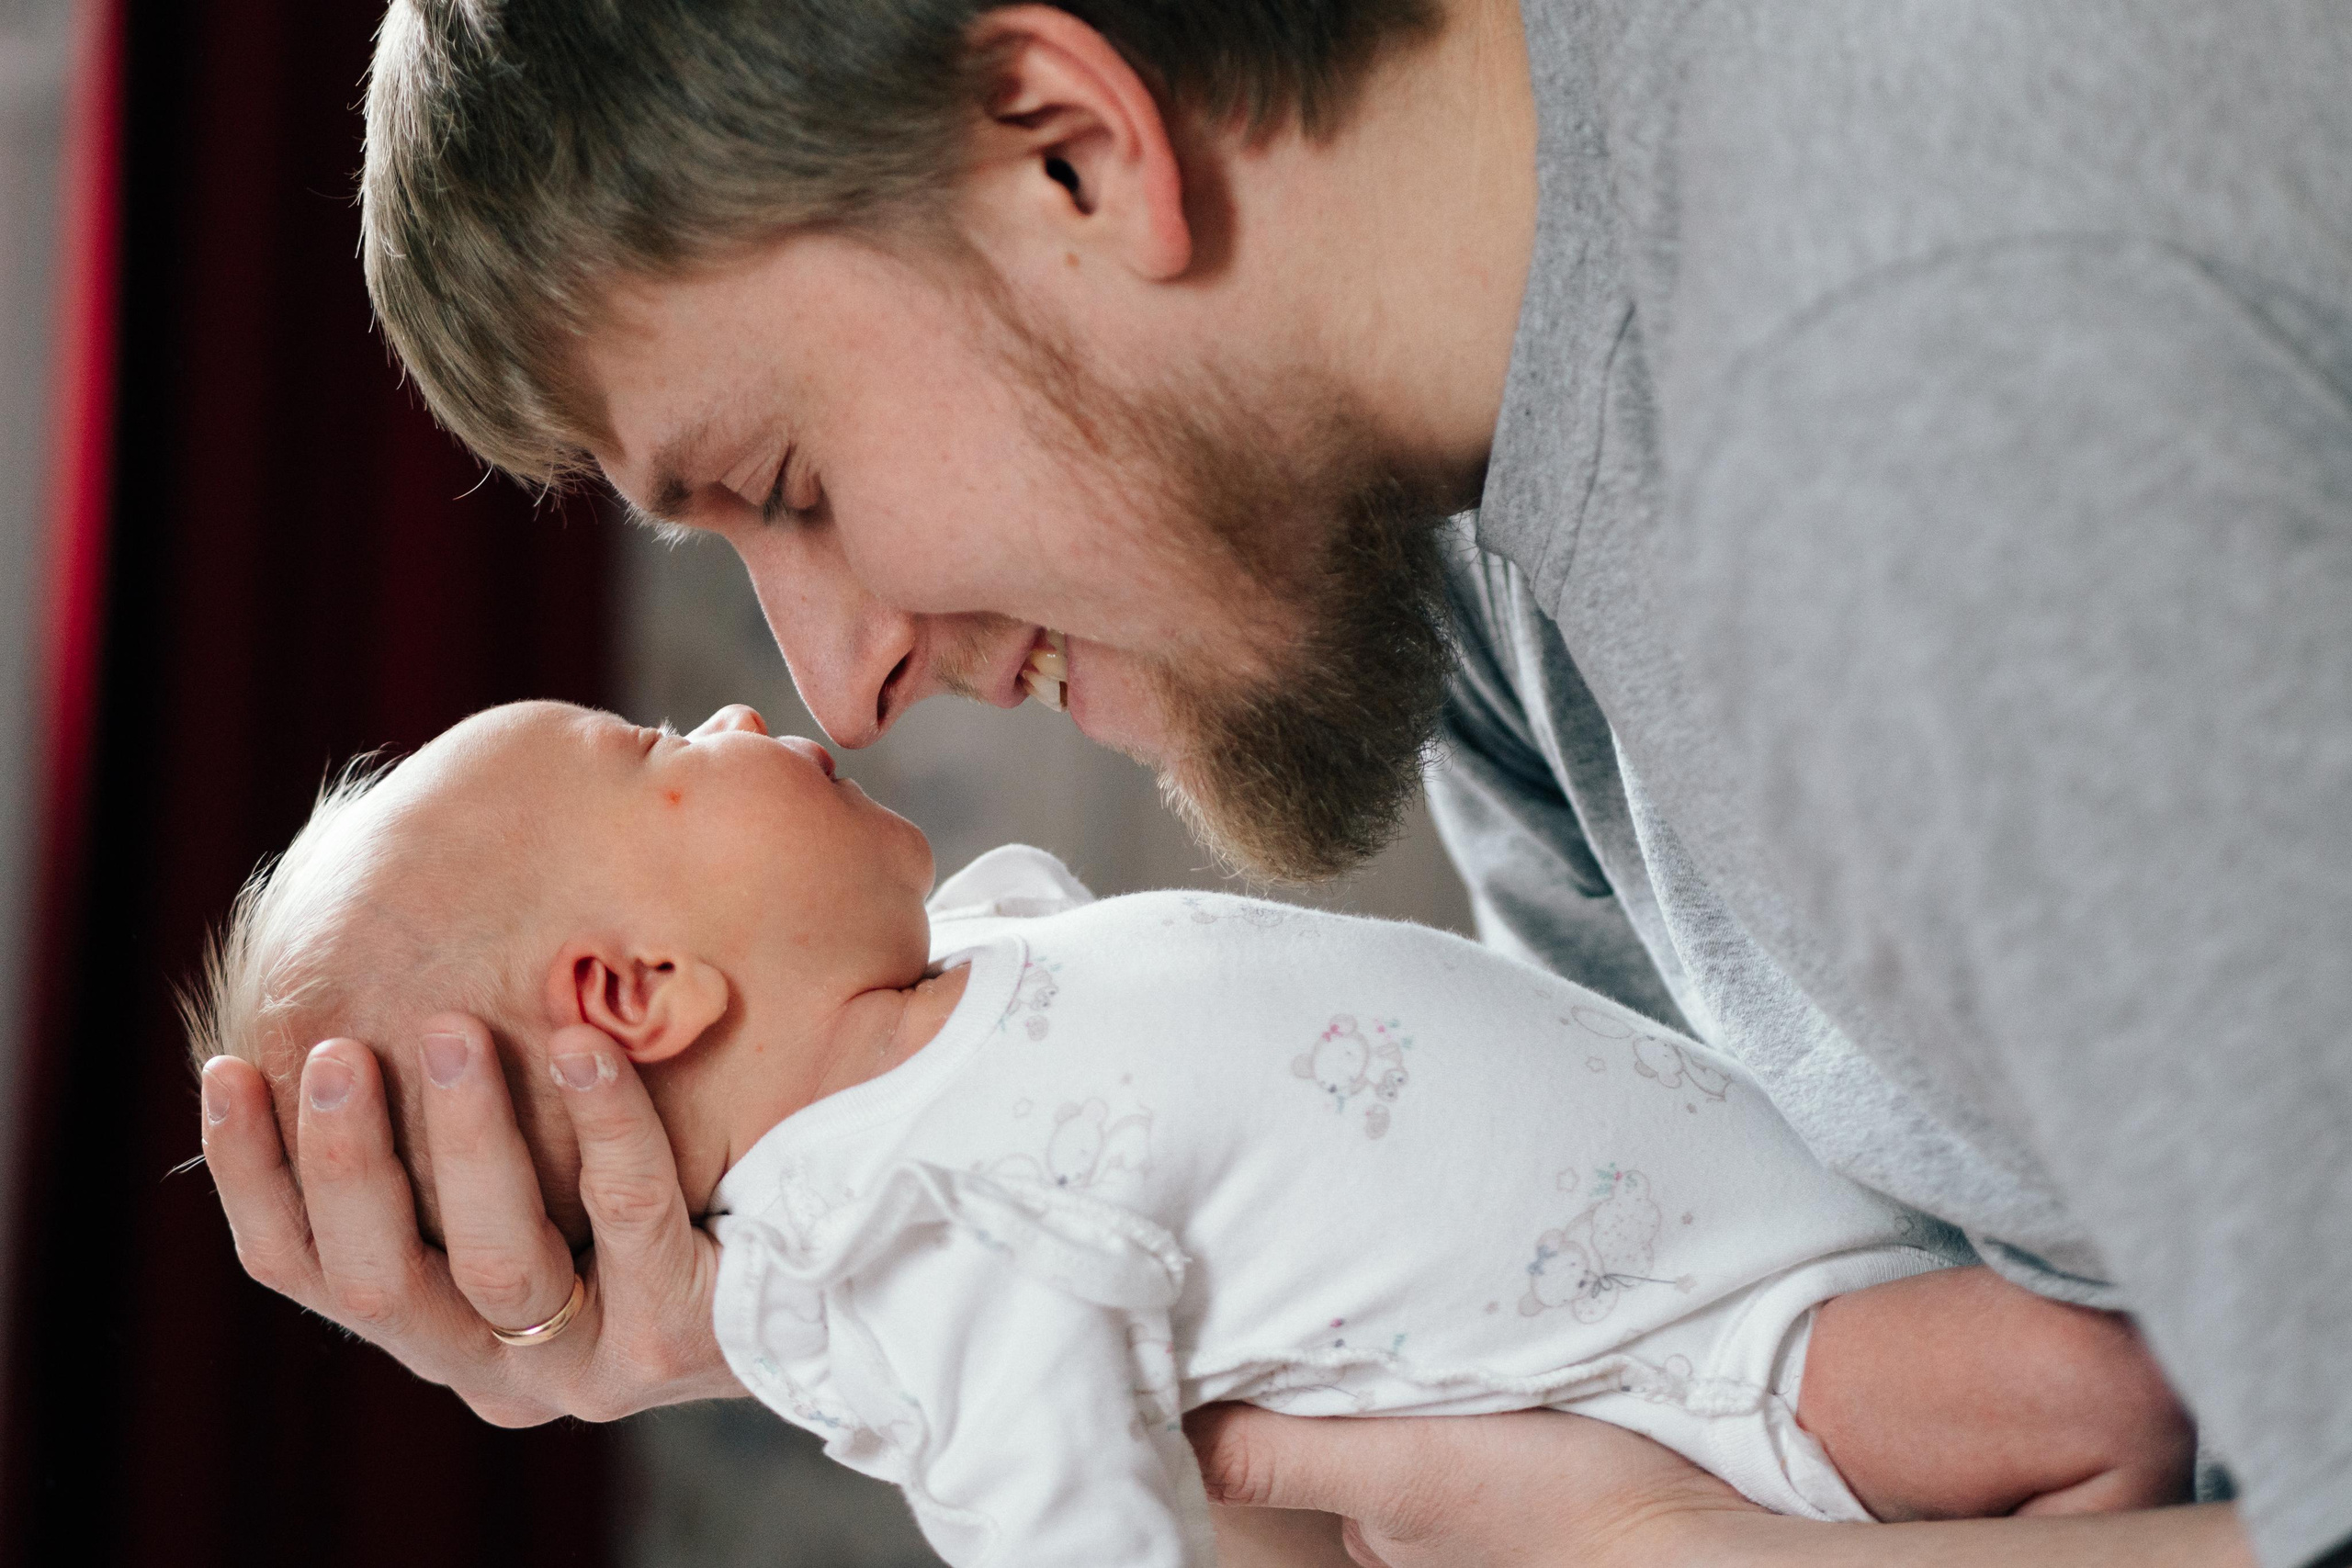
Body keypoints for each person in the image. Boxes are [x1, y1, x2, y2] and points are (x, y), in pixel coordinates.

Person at [196, 1, 2351, 1563]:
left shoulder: (1912, 416)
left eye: (787, 485)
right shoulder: (1458, 522)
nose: (833, 683)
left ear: (1070, 145)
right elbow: (1622, 1327)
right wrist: (794, 1292)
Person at [191, 698, 2191, 1565]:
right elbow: (1071, 1512)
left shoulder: (950, 973)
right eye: (656, 759)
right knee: (2095, 1383)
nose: (733, 720)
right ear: (640, 992)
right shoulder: (901, 1235)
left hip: (1768, 1222)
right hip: (1722, 1372)